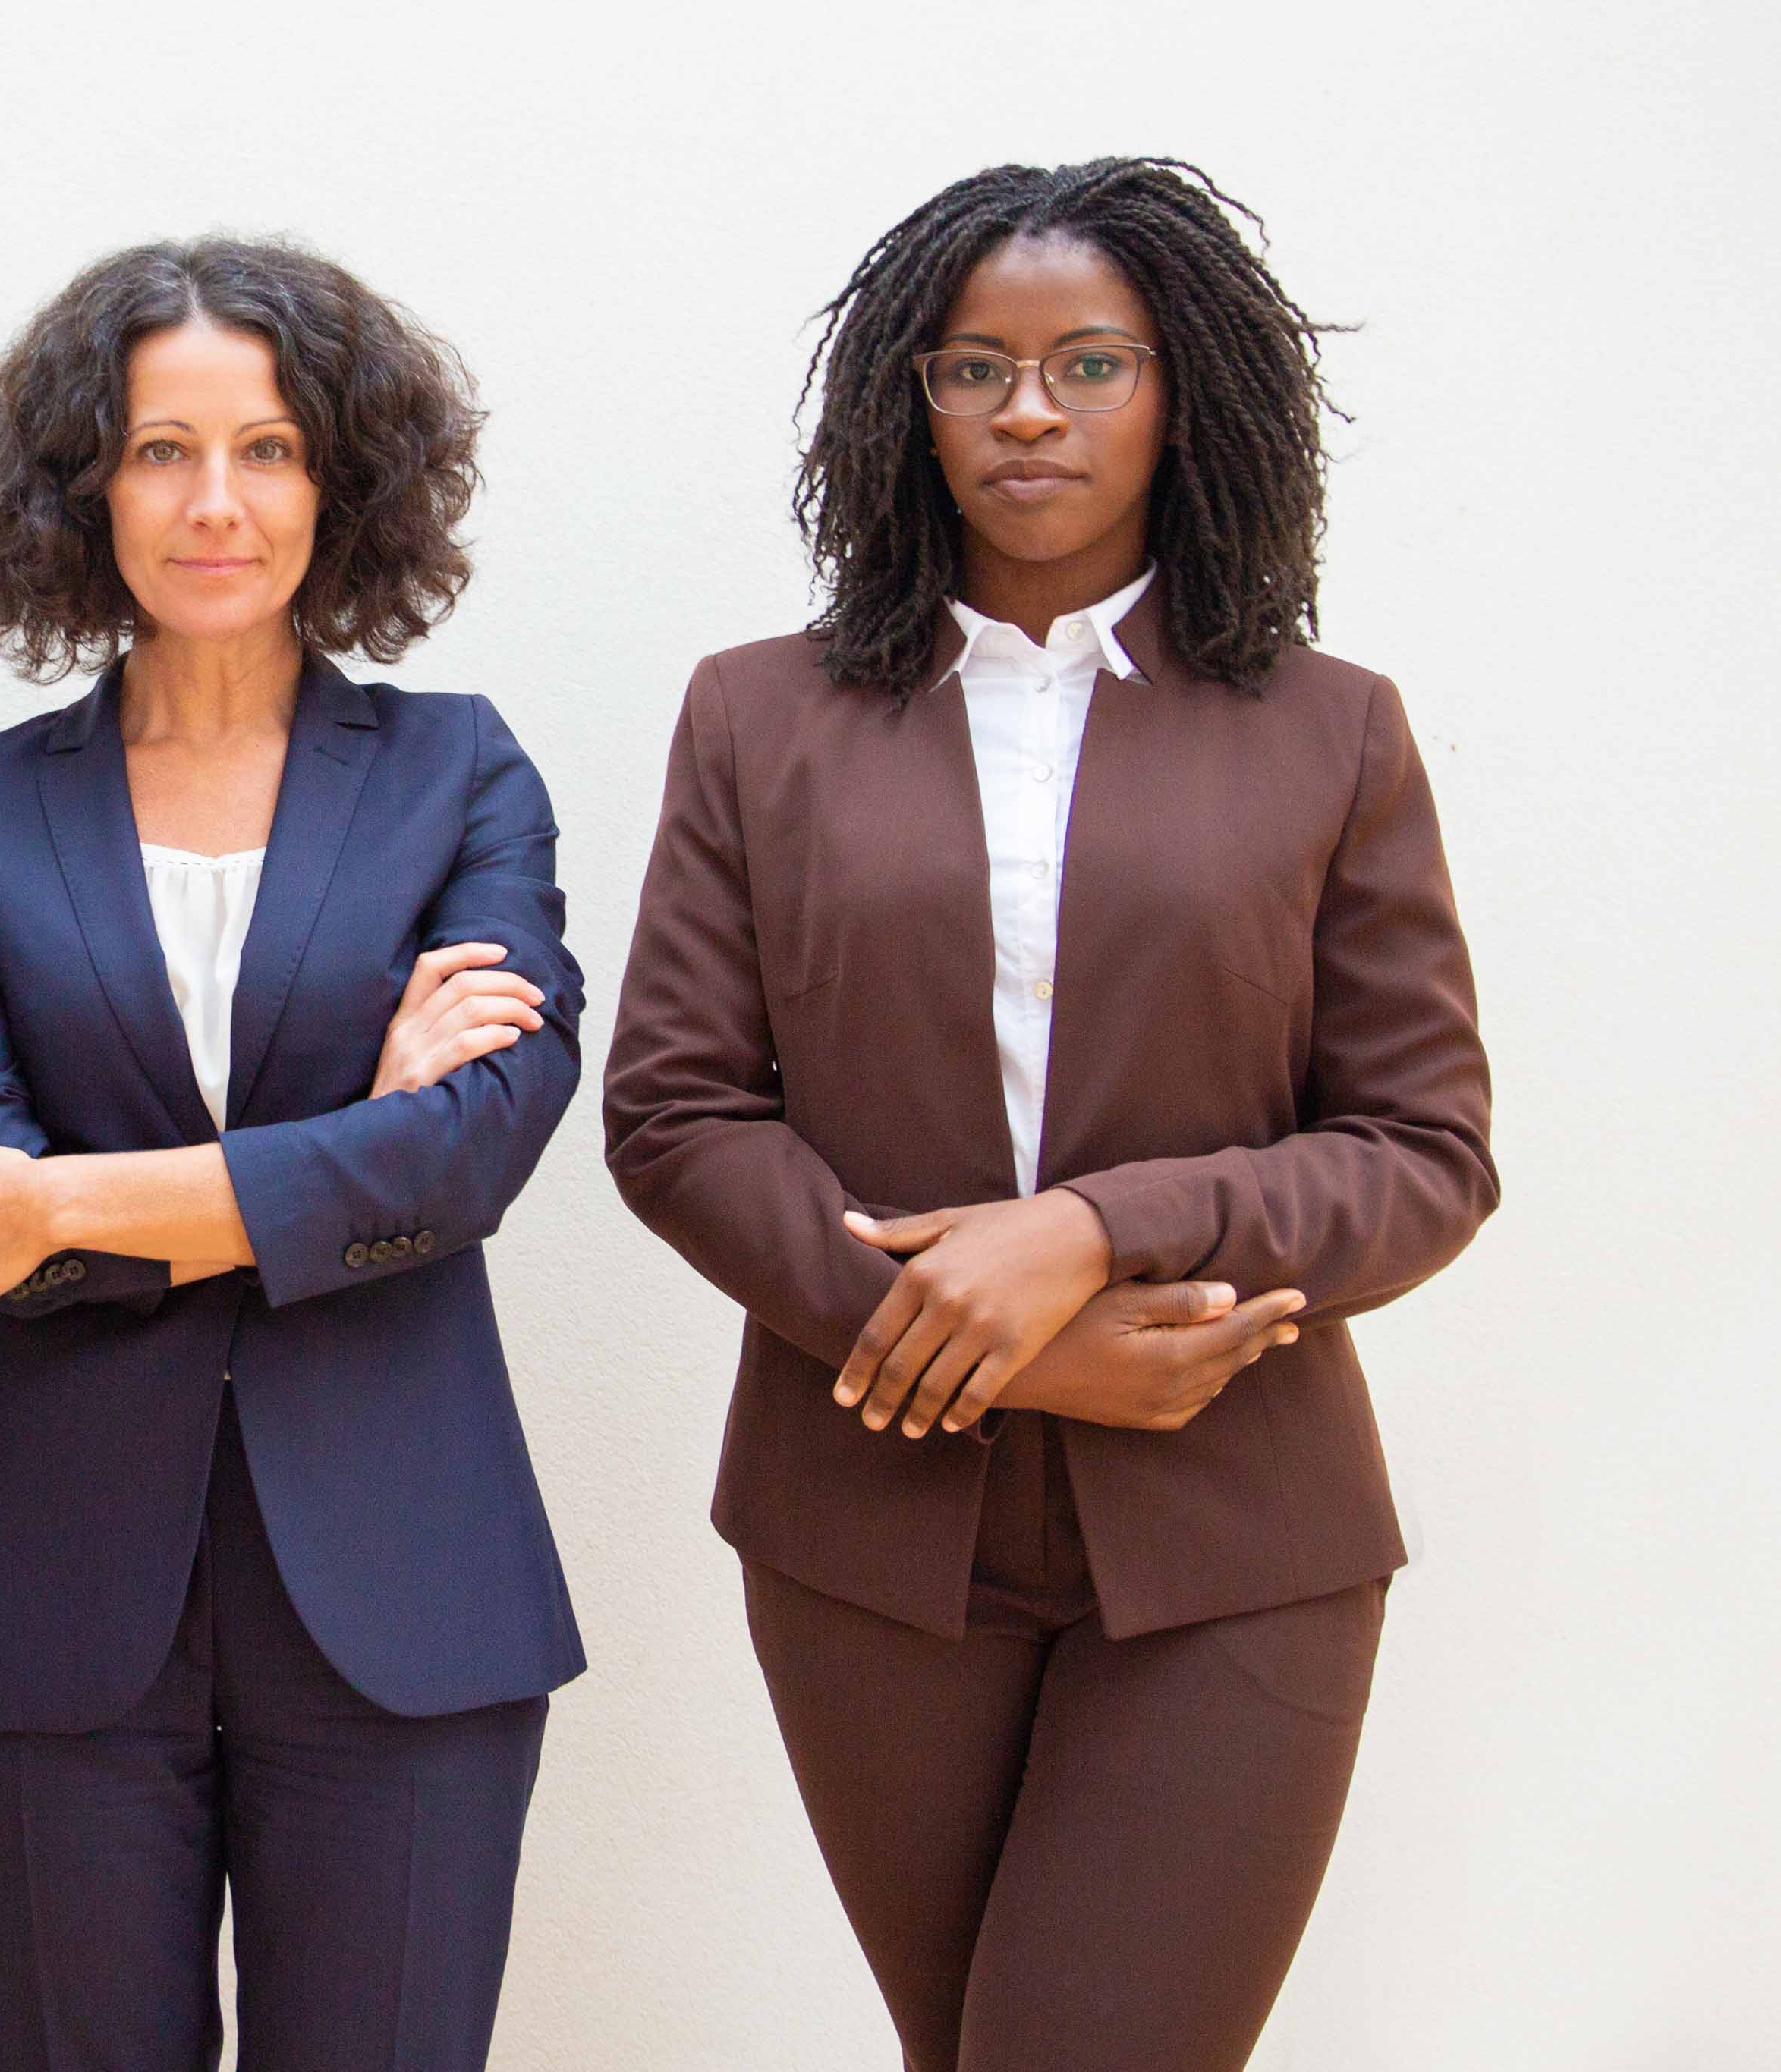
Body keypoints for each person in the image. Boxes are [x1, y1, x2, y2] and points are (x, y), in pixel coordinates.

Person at [603, 158, 1497, 2072]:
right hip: (865, 1533)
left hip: (1233, 1537)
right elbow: (678, 1113)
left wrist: (1097, 1230)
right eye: (971, 367)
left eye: (1089, 363)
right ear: (902, 405)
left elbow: (1422, 1153)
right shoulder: (758, 718)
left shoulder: (1326, 728)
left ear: (1183, 395)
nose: (1026, 408)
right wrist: (994, 1351)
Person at [0, 237, 584, 2071]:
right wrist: (351, 1148)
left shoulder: (458, 773)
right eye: (157, 448)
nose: (213, 502)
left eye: (265, 450)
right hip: (51, 1599)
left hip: (405, 1600)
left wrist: (73, 1194)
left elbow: (475, 1158)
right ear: (78, 483)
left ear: (340, 479)